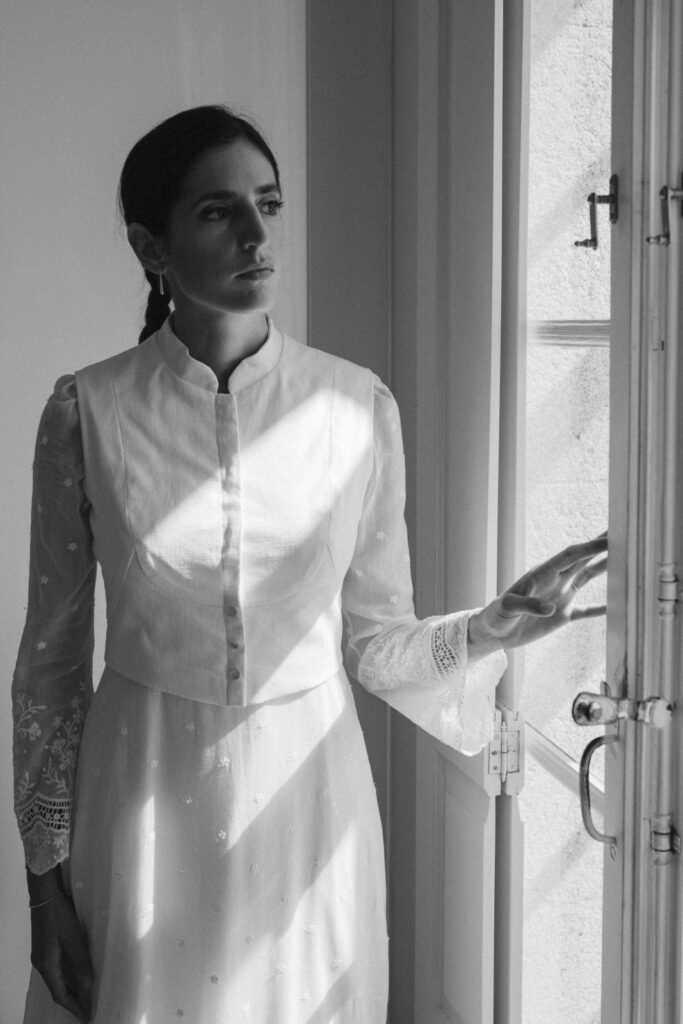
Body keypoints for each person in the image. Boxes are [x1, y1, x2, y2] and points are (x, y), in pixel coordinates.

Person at [12, 105, 607, 1024]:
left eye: (269, 203)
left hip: (311, 807)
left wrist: (488, 628)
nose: (257, 237)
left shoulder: (355, 406)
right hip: (140, 804)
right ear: (150, 245)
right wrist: (42, 886)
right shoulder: (85, 412)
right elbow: (50, 667)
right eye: (218, 211)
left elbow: (374, 643)